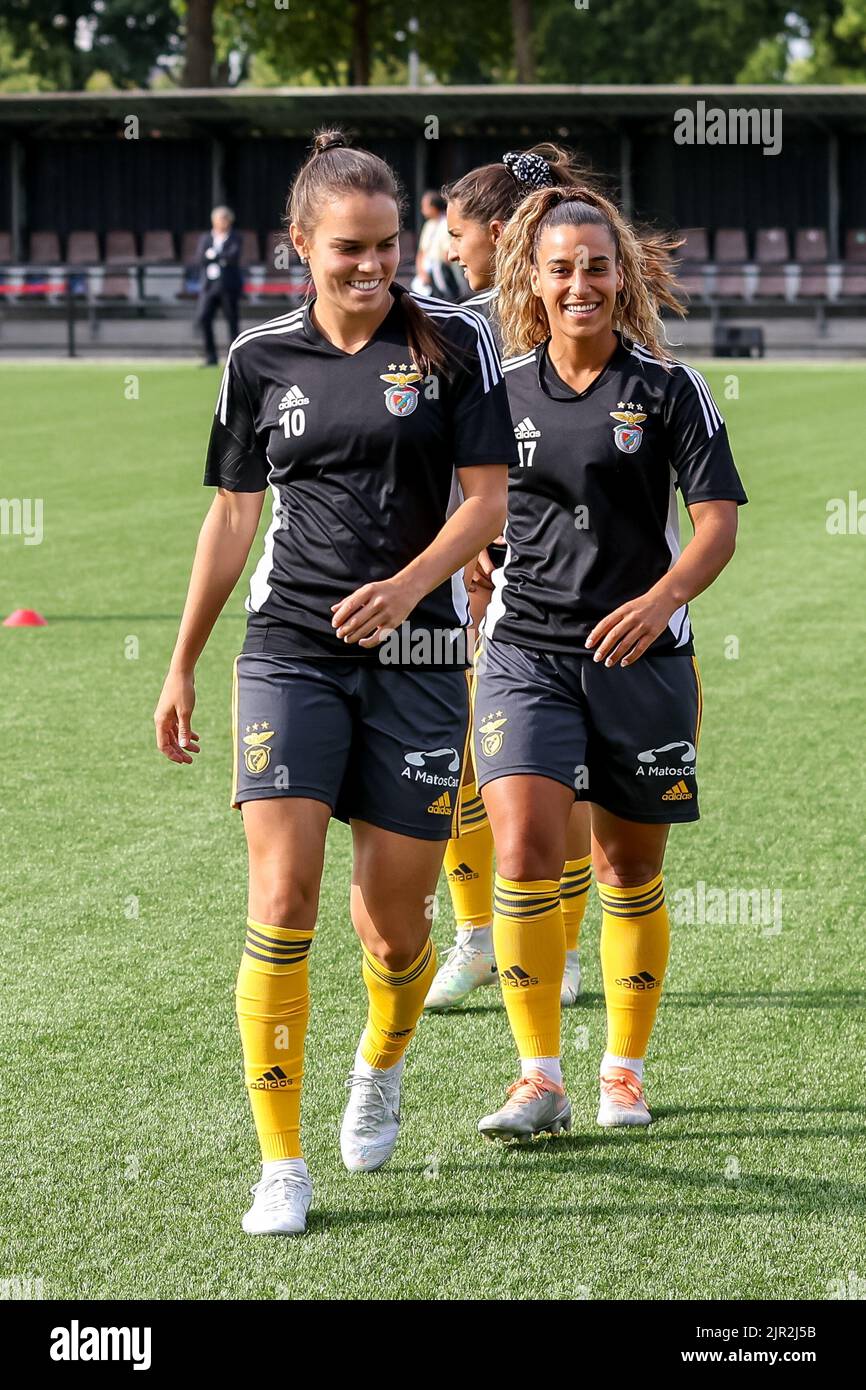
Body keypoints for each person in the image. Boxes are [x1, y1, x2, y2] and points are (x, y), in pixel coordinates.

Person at [153, 130, 515, 1235]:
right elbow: (230, 518)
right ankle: (282, 1164)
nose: (374, 266)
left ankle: (380, 1062)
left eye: (390, 244)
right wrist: (181, 661)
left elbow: (486, 504)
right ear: (298, 246)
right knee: (282, 900)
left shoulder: (455, 341)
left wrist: (410, 589)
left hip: (414, 659)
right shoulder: (257, 358)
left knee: (392, 929)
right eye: (348, 249)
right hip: (290, 650)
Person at [472, 184, 747, 1142]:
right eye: (562, 269)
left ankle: (621, 1073)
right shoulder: (496, 392)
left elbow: (717, 528)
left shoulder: (670, 390)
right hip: (526, 654)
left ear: (621, 274)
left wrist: (662, 600)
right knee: (523, 851)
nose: (581, 282)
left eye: (597, 265)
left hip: (644, 658)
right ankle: (536, 1076)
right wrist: (467, 555)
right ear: (534, 281)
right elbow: (461, 504)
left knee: (627, 867)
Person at [425, 148, 599, 1013]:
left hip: (560, 581)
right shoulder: (456, 327)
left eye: (459, 236)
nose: (452, 252)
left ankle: (561, 948)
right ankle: (476, 936)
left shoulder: (580, 312)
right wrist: (467, 543)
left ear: (499, 231)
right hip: (469, 572)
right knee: (459, 753)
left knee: (555, 774)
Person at [195, 205, 243, 366]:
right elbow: (200, 259)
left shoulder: (235, 237)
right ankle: (211, 357)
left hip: (228, 287)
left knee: (232, 322)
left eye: (225, 219)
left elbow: (233, 257)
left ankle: (234, 360)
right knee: (204, 318)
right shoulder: (206, 238)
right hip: (209, 287)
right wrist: (220, 258)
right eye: (219, 219)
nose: (222, 222)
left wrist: (214, 256)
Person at [414, 191, 460, 301]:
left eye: (424, 206)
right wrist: (421, 271)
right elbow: (421, 251)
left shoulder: (446, 224)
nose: (422, 210)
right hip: (428, 274)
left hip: (442, 272)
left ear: (433, 207)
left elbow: (447, 253)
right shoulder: (428, 225)